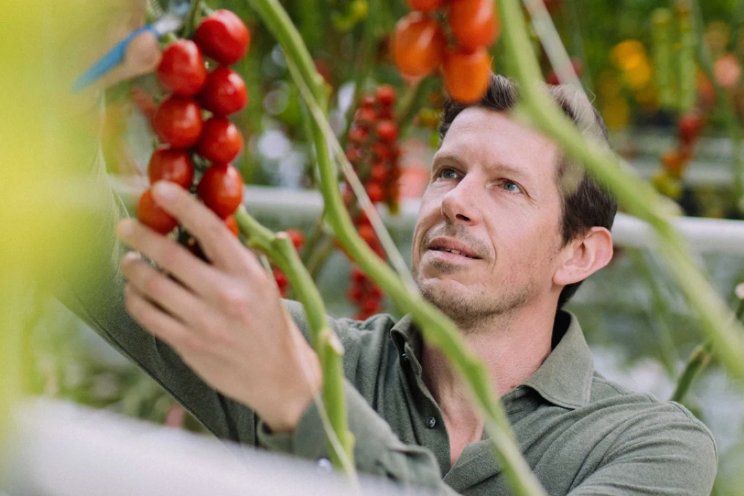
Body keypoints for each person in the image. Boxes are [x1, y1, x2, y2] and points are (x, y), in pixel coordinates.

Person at [66, 74, 717, 495]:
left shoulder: (653, 445)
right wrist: (72, 72)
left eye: (507, 186)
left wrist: (308, 408)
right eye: (447, 172)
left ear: (578, 254)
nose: (455, 202)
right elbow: (86, 256)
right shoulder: (304, 349)